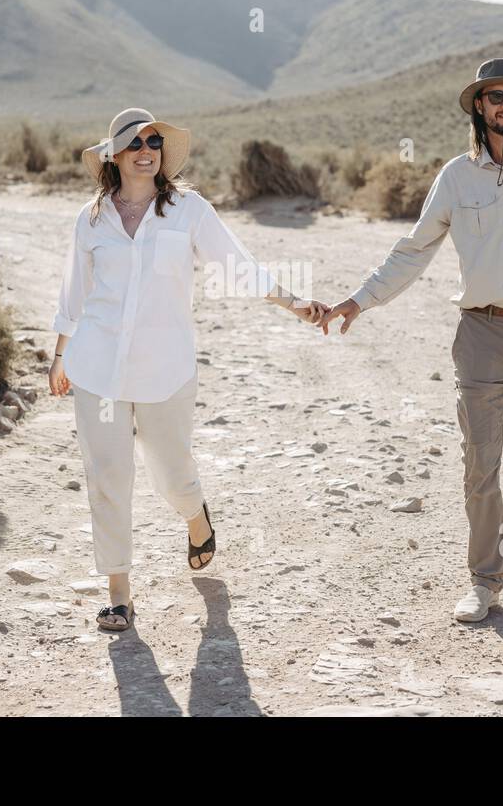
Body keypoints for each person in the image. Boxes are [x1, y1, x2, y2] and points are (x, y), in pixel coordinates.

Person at [318, 58, 503, 623]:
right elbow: (414, 249)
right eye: (496, 96)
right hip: (479, 331)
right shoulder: (456, 177)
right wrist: (360, 299)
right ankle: (486, 579)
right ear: (479, 108)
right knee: (480, 462)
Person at [49, 107, 328, 631]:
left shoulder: (188, 211)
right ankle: (119, 593)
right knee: (108, 476)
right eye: (135, 143)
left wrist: (295, 303)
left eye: (154, 141)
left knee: (170, 472)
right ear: (114, 155)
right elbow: (74, 293)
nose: (146, 149)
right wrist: (61, 354)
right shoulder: (90, 220)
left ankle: (196, 516)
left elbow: (239, 267)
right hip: (97, 368)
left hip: (165, 369)